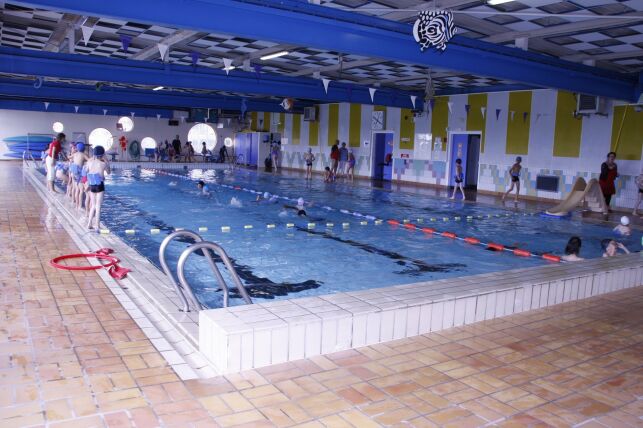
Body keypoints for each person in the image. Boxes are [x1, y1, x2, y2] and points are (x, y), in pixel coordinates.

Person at [86, 146, 111, 230]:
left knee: (93, 205)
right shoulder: (103, 163)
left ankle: (89, 223)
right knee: (98, 206)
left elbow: (86, 171)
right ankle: (97, 226)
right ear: (103, 154)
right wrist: (107, 161)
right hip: (100, 185)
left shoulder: (89, 162)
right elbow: (109, 172)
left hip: (92, 185)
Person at [70, 143, 89, 209]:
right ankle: (80, 206)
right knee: (81, 190)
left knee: (76, 189)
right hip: (79, 174)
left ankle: (75, 203)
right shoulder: (83, 155)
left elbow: (69, 157)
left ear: (77, 148)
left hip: (74, 173)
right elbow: (89, 160)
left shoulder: (75, 154)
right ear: (84, 149)